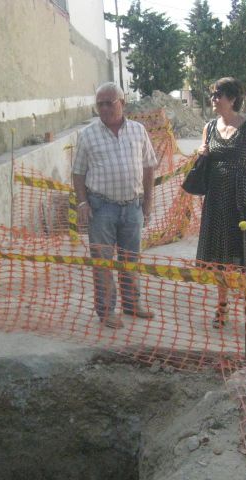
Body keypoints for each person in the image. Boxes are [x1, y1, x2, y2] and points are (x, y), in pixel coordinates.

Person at [72, 82, 158, 329]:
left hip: (132, 207)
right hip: (101, 209)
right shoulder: (88, 135)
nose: (105, 108)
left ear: (123, 102)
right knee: (103, 261)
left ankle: (132, 304)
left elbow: (149, 166)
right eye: (100, 104)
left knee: (131, 258)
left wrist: (148, 201)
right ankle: (107, 310)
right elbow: (78, 173)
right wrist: (81, 202)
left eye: (110, 102)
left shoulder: (138, 131)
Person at [194, 77, 246, 328]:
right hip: (217, 201)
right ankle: (222, 307)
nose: (214, 100)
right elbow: (203, 165)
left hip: (245, 198)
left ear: (232, 99)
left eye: (218, 95)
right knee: (220, 256)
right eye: (213, 95)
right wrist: (202, 156)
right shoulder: (209, 127)